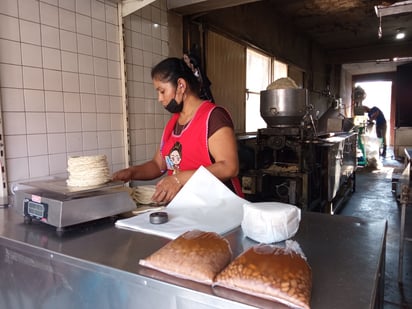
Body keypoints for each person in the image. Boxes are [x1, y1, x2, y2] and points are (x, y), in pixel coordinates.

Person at [112, 57, 243, 204]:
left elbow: (229, 167)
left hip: (220, 208)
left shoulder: (213, 117)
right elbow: (158, 165)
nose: (159, 99)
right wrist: (131, 172)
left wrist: (178, 179)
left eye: (162, 91)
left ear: (181, 85)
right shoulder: (172, 124)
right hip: (187, 209)